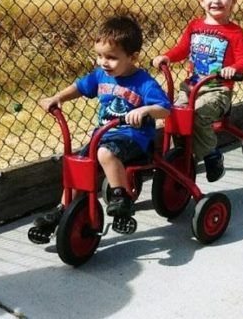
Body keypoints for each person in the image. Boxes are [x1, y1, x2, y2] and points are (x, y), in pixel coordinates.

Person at [33, 15, 172, 230]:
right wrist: (58, 97)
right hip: (104, 135)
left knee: (105, 153)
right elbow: (79, 87)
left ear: (132, 57)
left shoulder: (144, 82)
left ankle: (121, 198)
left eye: (111, 57)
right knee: (79, 162)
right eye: (99, 56)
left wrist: (145, 110)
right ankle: (64, 208)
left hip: (134, 138)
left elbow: (165, 109)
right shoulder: (101, 75)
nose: (103, 62)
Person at [152, 0, 243, 182]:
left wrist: (233, 69)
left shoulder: (234, 32)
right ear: (201, 0)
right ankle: (178, 156)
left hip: (217, 89)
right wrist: (167, 57)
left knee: (197, 115)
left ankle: (211, 154)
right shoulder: (195, 26)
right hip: (191, 86)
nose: (216, 0)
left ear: (233, 0)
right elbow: (182, 49)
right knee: (173, 113)